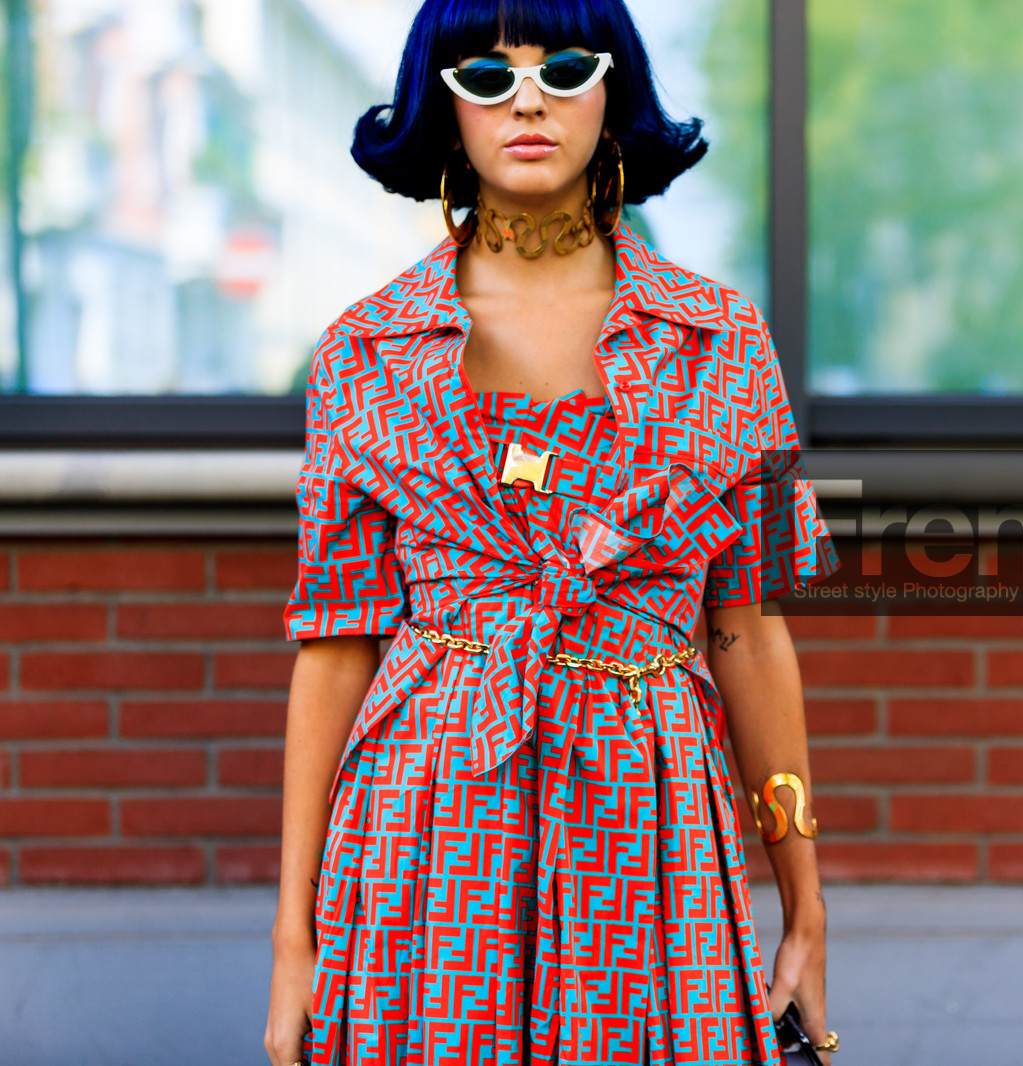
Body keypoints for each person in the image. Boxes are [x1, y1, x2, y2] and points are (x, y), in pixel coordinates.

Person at [263, 2, 840, 1063]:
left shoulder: (723, 341)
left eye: (564, 67)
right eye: (486, 75)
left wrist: (803, 900)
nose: (526, 98)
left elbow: (747, 635)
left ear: (613, 94)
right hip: (421, 824)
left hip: (650, 823)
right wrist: (290, 935)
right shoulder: (367, 348)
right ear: (447, 109)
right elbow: (335, 645)